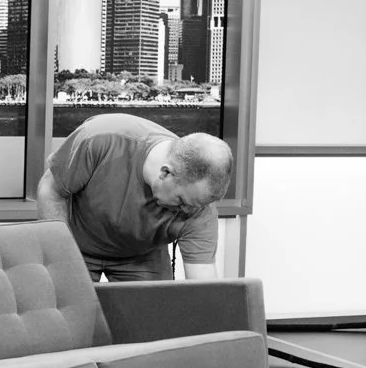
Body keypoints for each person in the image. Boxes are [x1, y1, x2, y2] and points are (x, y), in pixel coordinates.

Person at [35, 113, 233, 281]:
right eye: (181, 202)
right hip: (76, 244)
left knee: (153, 320)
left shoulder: (199, 207)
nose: (187, 212)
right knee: (71, 319)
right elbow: (51, 190)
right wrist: (61, 257)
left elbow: (203, 287)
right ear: (165, 173)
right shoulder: (101, 138)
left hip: (142, 256)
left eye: (194, 206)